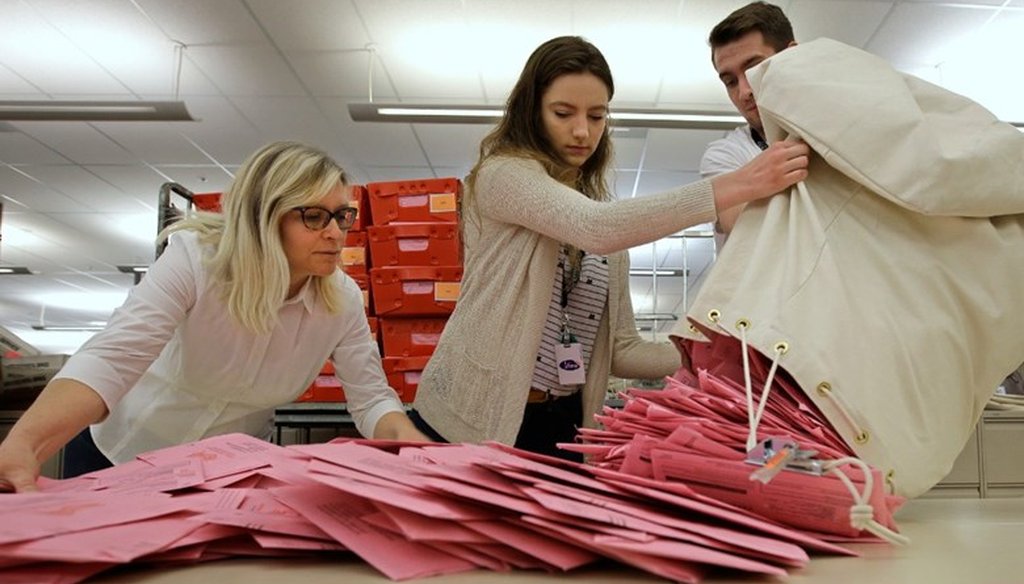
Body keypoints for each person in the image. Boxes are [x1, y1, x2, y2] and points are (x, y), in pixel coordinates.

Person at [407, 35, 809, 461]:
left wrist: (711, 355)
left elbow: (622, 349)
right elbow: (595, 227)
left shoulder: (604, 236)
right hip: (470, 416)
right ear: (532, 111)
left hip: (560, 422)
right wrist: (738, 185)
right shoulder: (503, 175)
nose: (583, 131)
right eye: (563, 113)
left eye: (597, 116)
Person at [0, 141, 429, 493]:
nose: (335, 233)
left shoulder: (342, 299)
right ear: (263, 216)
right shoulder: (195, 262)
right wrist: (24, 443)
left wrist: (412, 446)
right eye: (314, 216)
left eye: (342, 215)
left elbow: (371, 398)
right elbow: (113, 358)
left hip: (225, 477)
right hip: (122, 455)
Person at [702, 1, 797, 237]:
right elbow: (740, 222)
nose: (744, 91)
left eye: (754, 69)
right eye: (730, 82)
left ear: (792, 57)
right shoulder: (725, 154)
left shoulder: (840, 125)